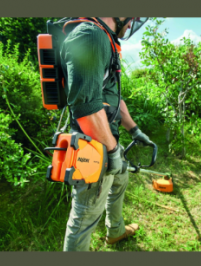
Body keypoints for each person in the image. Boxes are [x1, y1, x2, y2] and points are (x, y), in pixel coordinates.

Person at [59, 17, 154, 251]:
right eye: (131, 18)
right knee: (83, 218)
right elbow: (86, 109)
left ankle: (115, 231)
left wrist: (134, 129)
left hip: (106, 138)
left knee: (121, 178)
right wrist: (112, 151)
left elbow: (112, 97)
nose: (131, 25)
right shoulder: (91, 36)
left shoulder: (105, 39)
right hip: (91, 147)